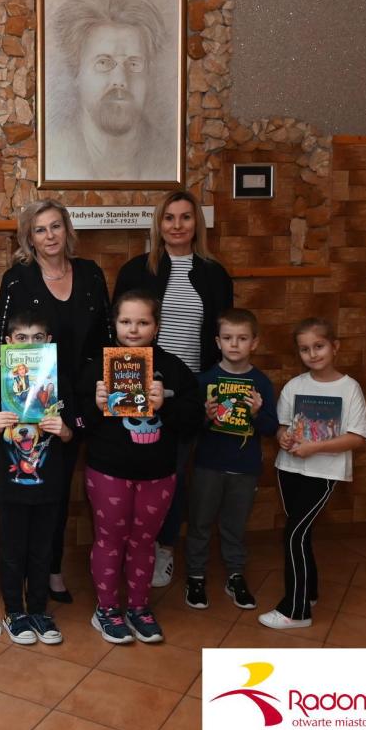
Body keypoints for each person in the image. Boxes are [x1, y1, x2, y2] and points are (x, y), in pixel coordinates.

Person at [114, 190, 234, 588]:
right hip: (138, 381)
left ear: (197, 223)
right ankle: (129, 547)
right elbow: (118, 332)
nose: (177, 225)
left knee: (174, 472)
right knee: (132, 469)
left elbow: (223, 335)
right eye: (169, 218)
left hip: (189, 390)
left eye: (185, 217)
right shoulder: (136, 270)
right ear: (159, 224)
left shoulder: (214, 274)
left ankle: (163, 547)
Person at [0, 199, 111, 603]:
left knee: (62, 489)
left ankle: (53, 568)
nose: (50, 236)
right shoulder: (17, 279)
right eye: (40, 229)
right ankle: (27, 575)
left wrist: (105, 390)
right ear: (29, 237)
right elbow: (4, 346)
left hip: (84, 398)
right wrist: (9, 400)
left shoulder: (91, 274)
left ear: (67, 229)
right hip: (34, 402)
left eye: (56, 226)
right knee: (36, 486)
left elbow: (107, 336)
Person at [78, 290, 202, 645]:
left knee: (144, 542)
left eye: (143, 322)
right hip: (108, 471)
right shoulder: (97, 367)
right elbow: (77, 424)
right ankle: (106, 609)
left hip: (157, 473)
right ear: (114, 324)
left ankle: (138, 607)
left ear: (156, 327)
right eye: (126, 321)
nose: (133, 330)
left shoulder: (173, 368)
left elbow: (193, 422)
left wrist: (166, 405)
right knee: (109, 540)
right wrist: (95, 406)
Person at [260, 318, 366, 630]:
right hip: (289, 469)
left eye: (318, 346)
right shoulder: (295, 386)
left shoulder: (349, 388)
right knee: (301, 533)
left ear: (335, 347)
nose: (313, 354)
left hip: (324, 473)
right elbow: (282, 426)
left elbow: (357, 437)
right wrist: (283, 437)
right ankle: (309, 593)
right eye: (305, 349)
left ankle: (295, 612)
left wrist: (315, 447)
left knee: (293, 534)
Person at [0, 310, 75, 645]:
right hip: (11, 488)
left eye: (37, 337)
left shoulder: (60, 382)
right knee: (12, 551)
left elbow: (73, 434)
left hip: (49, 487)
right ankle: (14, 612)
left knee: (41, 551)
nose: (29, 343)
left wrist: (63, 430)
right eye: (21, 337)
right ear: (9, 342)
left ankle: (38, 609)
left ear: (48, 342)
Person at [184, 309, 278, 611]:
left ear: (255, 342)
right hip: (208, 465)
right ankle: (195, 576)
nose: (234, 344)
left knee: (235, 526)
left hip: (245, 468)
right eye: (228, 338)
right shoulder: (205, 380)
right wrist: (205, 416)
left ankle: (235, 576)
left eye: (242, 338)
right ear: (218, 342)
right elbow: (189, 427)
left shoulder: (261, 383)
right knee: (199, 523)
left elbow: (271, 428)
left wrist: (256, 414)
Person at [47, 0, 172, 181]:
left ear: (148, 73)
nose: (120, 81)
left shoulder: (169, 157)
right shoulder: (53, 153)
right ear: (76, 72)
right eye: (103, 63)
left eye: (133, 63)